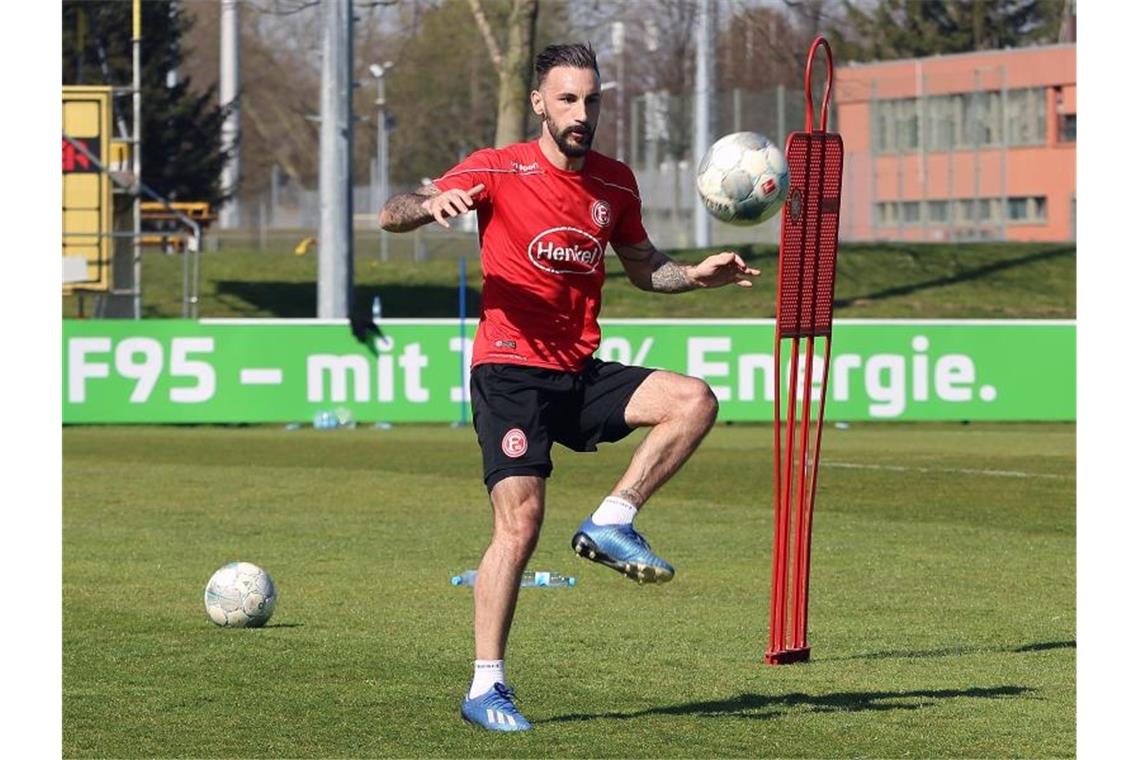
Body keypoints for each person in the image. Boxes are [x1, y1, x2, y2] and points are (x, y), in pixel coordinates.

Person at [378, 42, 760, 733]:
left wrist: (694, 275)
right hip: (509, 371)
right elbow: (392, 211)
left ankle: (613, 520)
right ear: (539, 104)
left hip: (578, 370)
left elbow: (645, 267)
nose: (582, 113)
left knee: (694, 400)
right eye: (567, 99)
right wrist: (431, 206)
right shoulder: (497, 166)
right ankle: (485, 687)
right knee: (519, 525)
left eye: (592, 100)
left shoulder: (614, 183)